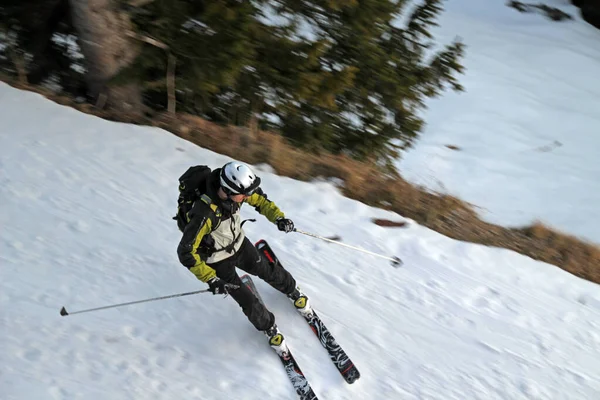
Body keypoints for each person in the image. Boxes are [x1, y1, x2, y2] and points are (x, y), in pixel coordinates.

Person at [175, 161, 309, 351]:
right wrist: (211, 279)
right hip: (217, 261)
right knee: (247, 300)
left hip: (239, 245)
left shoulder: (237, 194)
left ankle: (292, 289)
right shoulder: (204, 214)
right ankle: (268, 328)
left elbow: (261, 201)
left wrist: (279, 218)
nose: (247, 196)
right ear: (227, 190)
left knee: (266, 270)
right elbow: (186, 251)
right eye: (244, 194)